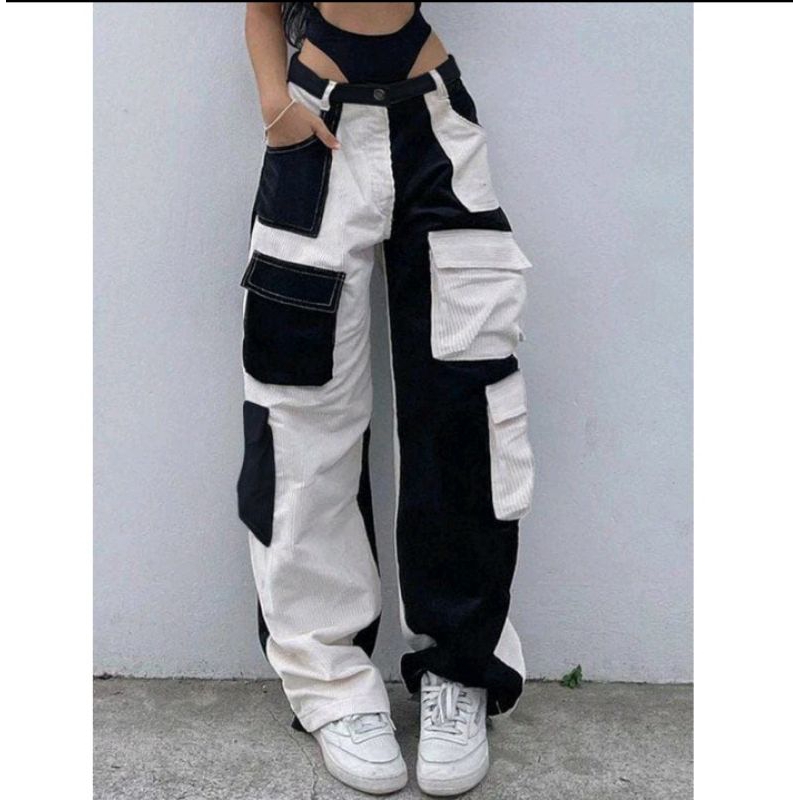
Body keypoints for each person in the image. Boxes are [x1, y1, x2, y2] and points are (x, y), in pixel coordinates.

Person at [239, 3, 535, 795]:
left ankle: (459, 667)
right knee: (302, 417)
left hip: (435, 122)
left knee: (466, 411)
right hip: (315, 124)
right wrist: (274, 104)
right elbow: (261, 7)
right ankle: (330, 681)